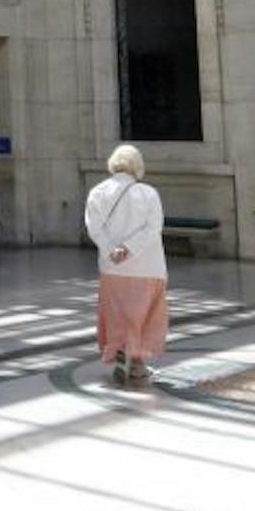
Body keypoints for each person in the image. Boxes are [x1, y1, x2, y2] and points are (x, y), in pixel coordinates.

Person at [85, 144, 168, 387]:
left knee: (117, 315)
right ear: (138, 165)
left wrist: (113, 249)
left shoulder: (97, 192)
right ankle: (138, 364)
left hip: (112, 268)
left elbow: (94, 227)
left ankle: (121, 350)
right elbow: (154, 227)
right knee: (146, 316)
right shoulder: (148, 193)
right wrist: (129, 248)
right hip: (148, 267)